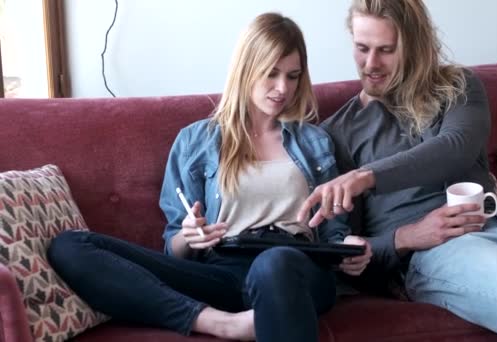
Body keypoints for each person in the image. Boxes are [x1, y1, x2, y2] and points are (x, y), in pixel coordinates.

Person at [47, 12, 371, 342]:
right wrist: (189, 236)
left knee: (275, 263)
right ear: (246, 69)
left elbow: (333, 232)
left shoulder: (313, 142)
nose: (282, 88)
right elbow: (174, 248)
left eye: (293, 76)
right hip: (223, 272)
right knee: (70, 246)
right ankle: (218, 322)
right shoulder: (195, 141)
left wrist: (350, 248)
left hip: (297, 268)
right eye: (271, 73)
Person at [297, 1, 497, 340]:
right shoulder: (336, 135)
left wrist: (366, 176)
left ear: (414, 45)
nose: (371, 64)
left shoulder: (457, 85)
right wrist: (406, 237)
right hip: (440, 254)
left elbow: (456, 147)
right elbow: (349, 253)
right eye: (362, 48)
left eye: (386, 50)